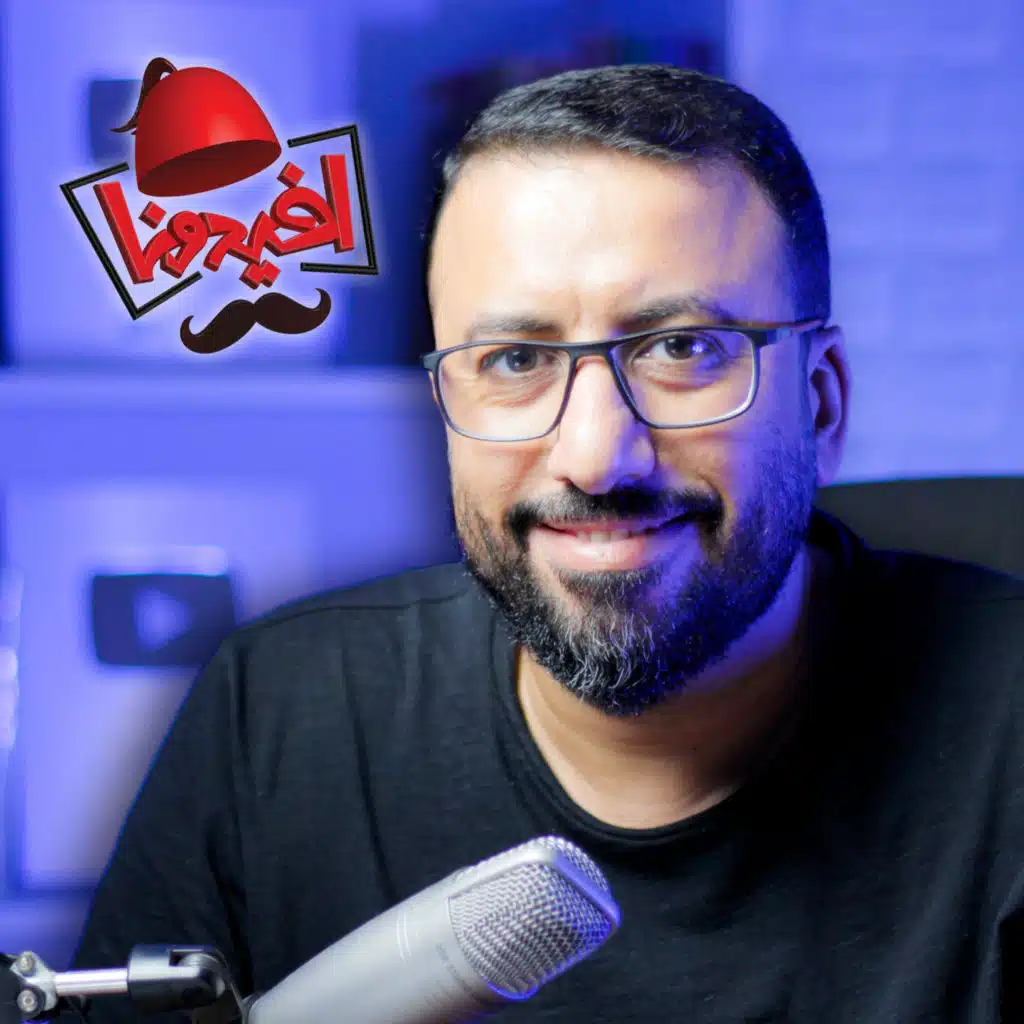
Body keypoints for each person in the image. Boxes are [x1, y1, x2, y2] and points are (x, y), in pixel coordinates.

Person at [70, 65, 1022, 1022]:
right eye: (515, 360)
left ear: (820, 403)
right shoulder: (279, 713)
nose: (597, 457)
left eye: (683, 348)